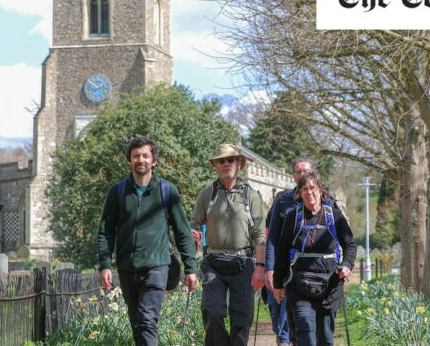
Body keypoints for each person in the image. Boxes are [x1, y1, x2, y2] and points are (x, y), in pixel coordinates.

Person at [97, 137, 198, 346]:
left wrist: (191, 268)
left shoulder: (167, 191)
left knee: (146, 321)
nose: (140, 160)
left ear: (154, 161)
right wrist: (105, 265)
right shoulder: (117, 192)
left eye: (145, 155)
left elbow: (182, 231)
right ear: (129, 160)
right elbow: (106, 231)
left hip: (157, 267)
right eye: (136, 156)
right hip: (126, 268)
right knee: (136, 323)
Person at [191, 143, 266, 346]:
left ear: (238, 164)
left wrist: (260, 267)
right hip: (214, 262)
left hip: (243, 264)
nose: (226, 164)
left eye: (230, 160)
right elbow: (194, 223)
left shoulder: (251, 196)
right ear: (216, 165)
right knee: (211, 311)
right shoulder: (207, 194)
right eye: (221, 161)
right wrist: (193, 234)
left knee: (242, 319)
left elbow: (260, 234)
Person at [273, 170, 356, 346]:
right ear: (299, 192)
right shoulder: (292, 217)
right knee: (305, 332)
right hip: (299, 284)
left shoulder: (334, 216)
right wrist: (278, 283)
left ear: (320, 190)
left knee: (325, 338)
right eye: (304, 189)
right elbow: (281, 251)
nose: (309, 192)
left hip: (329, 285)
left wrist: (347, 265)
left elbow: (350, 245)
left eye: (312, 188)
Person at [264, 158, 314, 346]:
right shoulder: (282, 200)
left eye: (306, 171)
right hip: (281, 266)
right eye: (298, 172)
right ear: (293, 176)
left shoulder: (321, 199)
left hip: (306, 270)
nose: (302, 175)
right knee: (278, 314)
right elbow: (272, 236)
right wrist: (269, 267)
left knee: (296, 317)